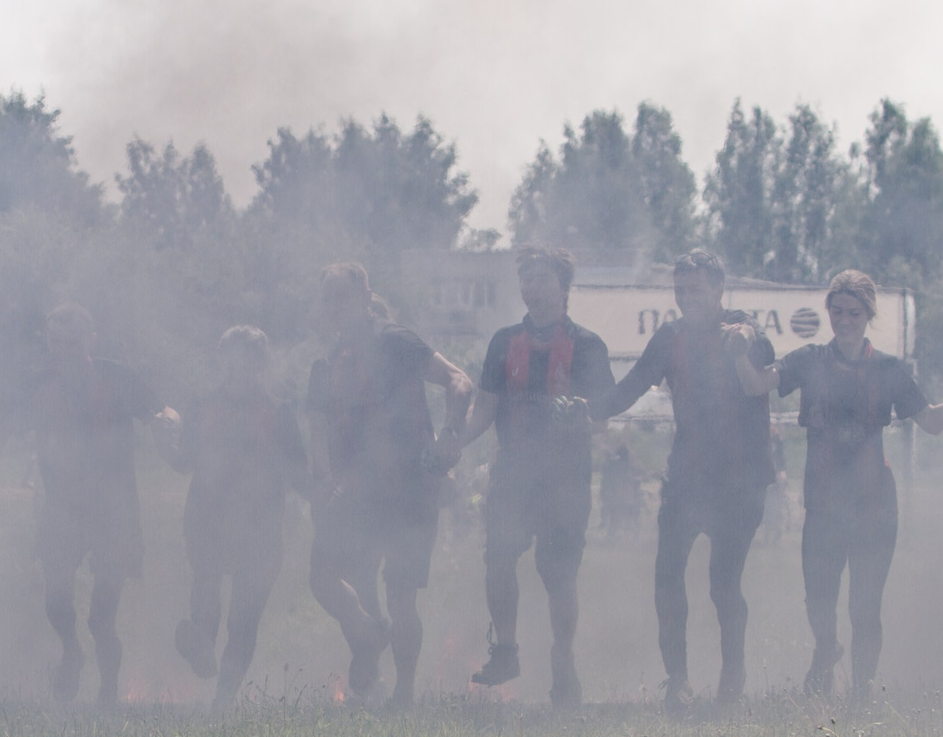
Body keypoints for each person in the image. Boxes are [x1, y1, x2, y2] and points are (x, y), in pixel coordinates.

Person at [779, 270, 943, 697]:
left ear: (868, 314)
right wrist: (740, 350)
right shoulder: (809, 360)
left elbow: (932, 421)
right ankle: (825, 653)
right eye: (837, 310)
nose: (844, 319)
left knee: (865, 607)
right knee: (819, 601)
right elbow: (758, 382)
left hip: (873, 504)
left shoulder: (889, 370)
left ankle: (862, 690)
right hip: (823, 503)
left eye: (853, 312)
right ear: (828, 310)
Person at [600, 250, 779, 709]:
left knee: (723, 583)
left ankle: (732, 676)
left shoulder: (743, 330)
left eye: (694, 289)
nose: (686, 299)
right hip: (687, 476)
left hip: (739, 480)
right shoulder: (669, 338)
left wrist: (741, 337)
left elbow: (751, 337)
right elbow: (630, 388)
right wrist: (589, 408)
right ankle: (677, 680)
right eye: (680, 290)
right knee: (667, 575)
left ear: (718, 288)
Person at [0, 303, 178, 704]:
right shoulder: (39, 383)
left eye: (72, 342)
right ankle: (71, 653)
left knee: (102, 617)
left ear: (91, 340)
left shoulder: (117, 377)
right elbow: (4, 428)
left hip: (114, 510)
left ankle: (109, 691)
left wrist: (167, 422)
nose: (64, 350)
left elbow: (159, 408)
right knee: (57, 601)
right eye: (56, 343)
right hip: (61, 508)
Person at [304, 263, 473, 708]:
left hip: (410, 488)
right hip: (356, 490)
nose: (334, 306)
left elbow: (459, 382)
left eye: (342, 296)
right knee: (323, 575)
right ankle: (368, 636)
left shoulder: (395, 340)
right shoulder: (333, 358)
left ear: (364, 296)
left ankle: (404, 692)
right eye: (328, 298)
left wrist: (451, 440)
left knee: (401, 595)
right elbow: (321, 428)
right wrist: (324, 479)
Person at [451, 249, 612, 706]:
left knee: (558, 574)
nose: (533, 288)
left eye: (542, 279)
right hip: (514, 473)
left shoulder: (589, 345)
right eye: (527, 279)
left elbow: (602, 418)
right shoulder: (504, 342)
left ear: (563, 287)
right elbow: (485, 406)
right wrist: (454, 442)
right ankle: (505, 650)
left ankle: (563, 661)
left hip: (566, 477)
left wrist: (583, 414)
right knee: (498, 559)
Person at [163, 325, 309, 703]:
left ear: (262, 366)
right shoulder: (203, 406)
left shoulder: (278, 412)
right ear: (221, 362)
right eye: (230, 361)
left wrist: (329, 497)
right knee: (206, 587)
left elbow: (299, 473)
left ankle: (223, 701)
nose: (237, 370)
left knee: (244, 618)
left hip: (260, 526)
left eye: (247, 361)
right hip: (206, 518)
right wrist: (165, 444)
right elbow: (184, 460)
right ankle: (202, 647)